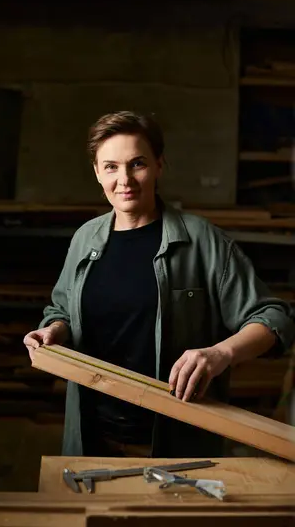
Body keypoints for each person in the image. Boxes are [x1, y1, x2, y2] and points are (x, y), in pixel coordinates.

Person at [24, 111, 294, 458]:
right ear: (96, 173)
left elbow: (274, 317)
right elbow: (62, 310)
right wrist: (55, 330)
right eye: (111, 167)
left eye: (137, 164)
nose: (125, 180)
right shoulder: (84, 239)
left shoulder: (202, 241)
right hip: (92, 438)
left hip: (175, 443)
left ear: (159, 166)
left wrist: (219, 354)